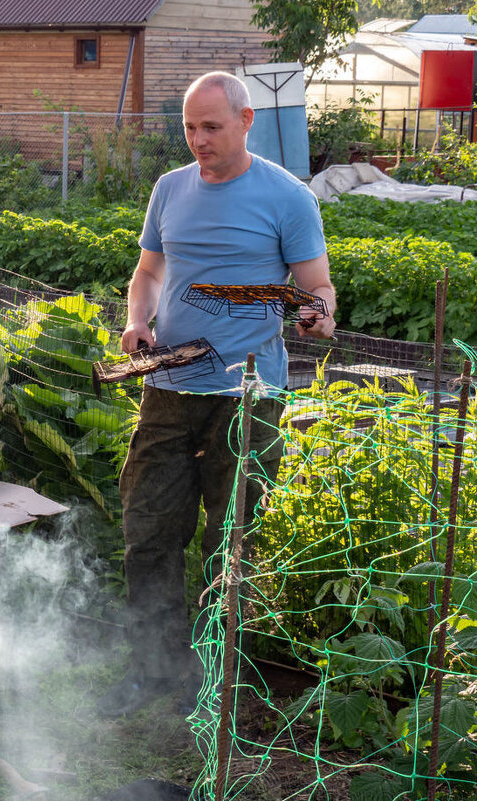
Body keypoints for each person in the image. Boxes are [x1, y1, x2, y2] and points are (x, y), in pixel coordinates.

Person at [107, 72, 336, 715]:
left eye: (211, 127)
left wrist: (317, 315)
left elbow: (317, 289)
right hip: (170, 385)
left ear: (246, 120)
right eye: (189, 127)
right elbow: (148, 271)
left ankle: (218, 685)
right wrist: (138, 321)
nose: (198, 141)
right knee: (149, 531)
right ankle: (152, 674)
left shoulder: (287, 197)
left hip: (249, 393)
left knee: (229, 541)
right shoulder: (170, 189)